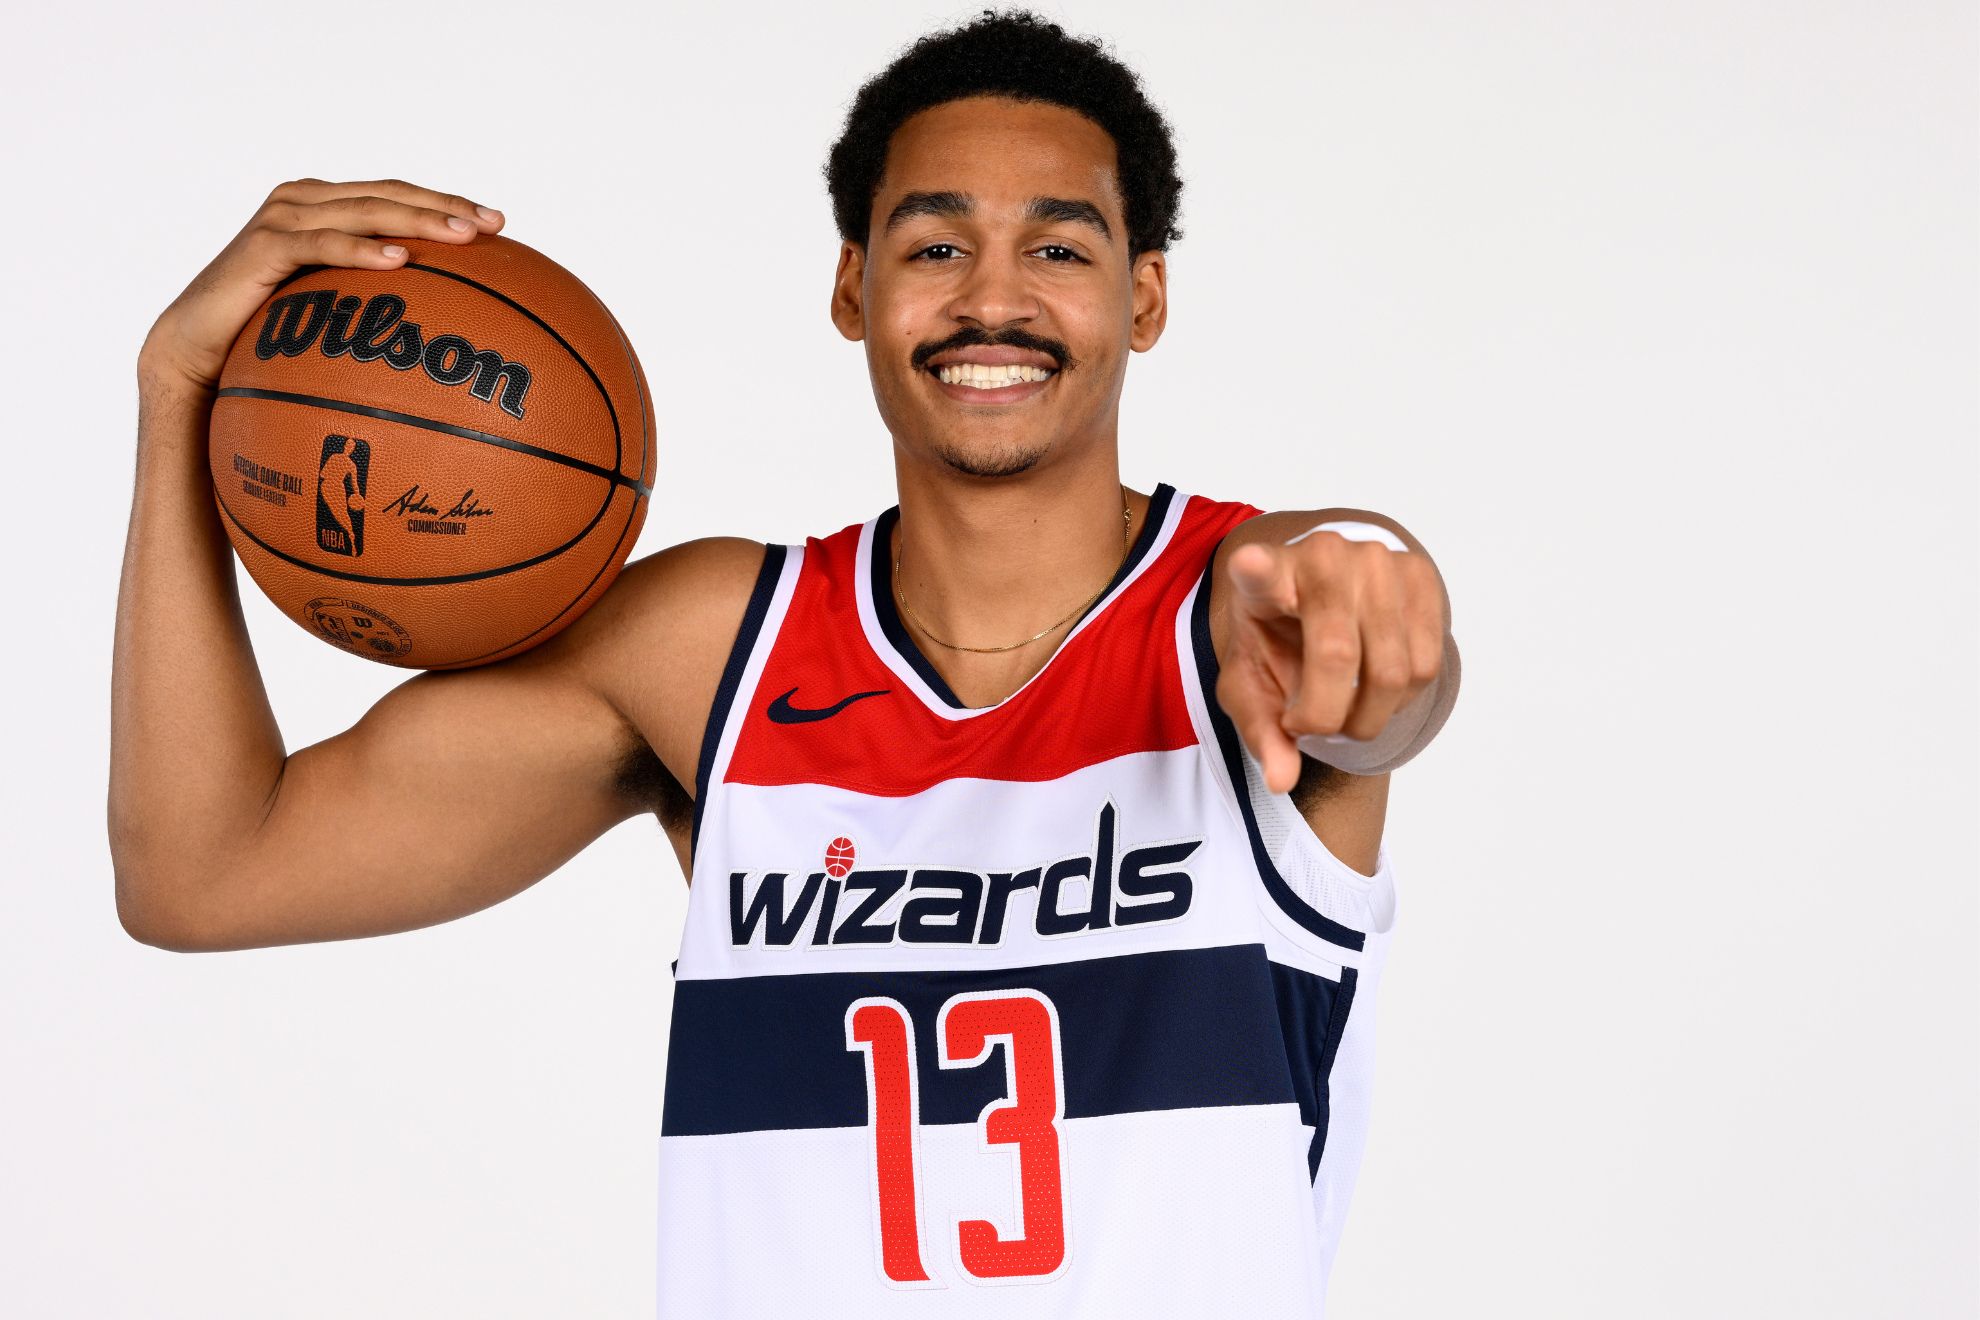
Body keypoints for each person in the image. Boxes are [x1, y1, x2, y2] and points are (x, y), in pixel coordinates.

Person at [110, 11, 1457, 1314]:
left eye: (1058, 245)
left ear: (1143, 296)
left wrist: (1371, 594)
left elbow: (1370, 651)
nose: (993, 298)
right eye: (936, 245)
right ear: (852, 287)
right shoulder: (709, 654)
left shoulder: (1242, 614)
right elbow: (198, 872)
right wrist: (177, 392)